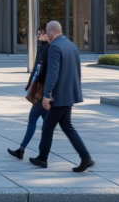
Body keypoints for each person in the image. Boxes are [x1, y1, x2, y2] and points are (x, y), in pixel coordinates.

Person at [28, 20, 93, 173]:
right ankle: (85, 157)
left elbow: (53, 73)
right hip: (69, 94)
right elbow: (76, 70)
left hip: (58, 96)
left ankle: (42, 158)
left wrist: (47, 94)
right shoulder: (71, 45)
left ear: (51, 32)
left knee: (48, 127)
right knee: (67, 126)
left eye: (46, 32)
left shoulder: (55, 47)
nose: (46, 36)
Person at [8, 28, 51, 160]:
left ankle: (24, 150)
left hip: (42, 92)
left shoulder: (48, 48)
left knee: (34, 120)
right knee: (47, 124)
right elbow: (36, 69)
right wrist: (29, 84)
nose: (39, 36)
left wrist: (45, 93)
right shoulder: (43, 47)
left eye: (41, 34)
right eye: (37, 34)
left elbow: (44, 71)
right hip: (39, 90)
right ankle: (34, 152)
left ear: (47, 34)